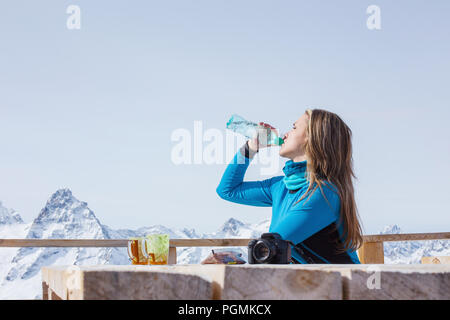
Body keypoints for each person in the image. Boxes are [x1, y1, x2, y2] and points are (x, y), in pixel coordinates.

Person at [216, 109, 363, 263]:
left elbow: (271, 247)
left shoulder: (324, 193)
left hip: (343, 284)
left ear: (311, 138)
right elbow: (228, 190)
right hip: (308, 282)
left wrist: (230, 260)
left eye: (294, 128)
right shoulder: (281, 186)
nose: (285, 134)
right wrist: (251, 147)